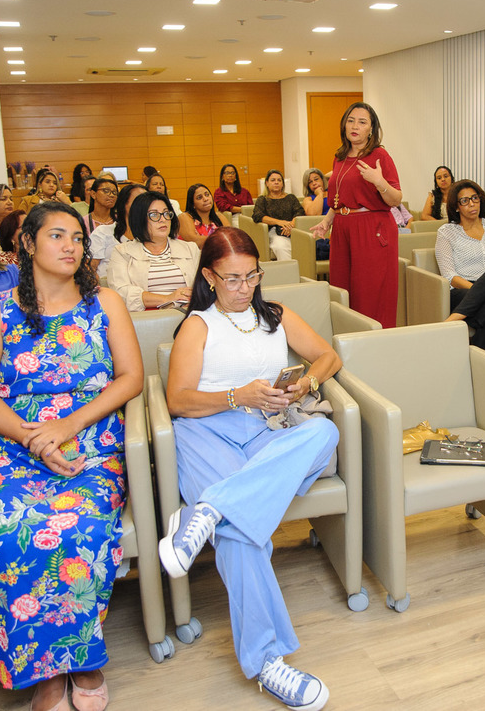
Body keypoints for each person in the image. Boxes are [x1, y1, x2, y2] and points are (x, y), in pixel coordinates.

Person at [0, 202, 142, 711]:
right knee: (9, 524)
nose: (71, 246)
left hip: (88, 441)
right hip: (9, 446)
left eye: (77, 237)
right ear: (28, 244)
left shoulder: (106, 304)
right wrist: (35, 437)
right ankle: (45, 670)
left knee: (80, 523)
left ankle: (83, 657)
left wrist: (68, 426)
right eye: (57, 236)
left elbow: (131, 379)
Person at [161, 227, 339, 711]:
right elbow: (177, 401)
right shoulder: (198, 324)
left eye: (252, 277)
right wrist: (239, 395)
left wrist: (306, 382)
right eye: (232, 279)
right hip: (205, 433)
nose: (244, 288)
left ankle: (208, 509)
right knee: (242, 534)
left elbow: (328, 354)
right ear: (209, 277)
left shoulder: (275, 317)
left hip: (266, 433)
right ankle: (268, 664)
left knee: (325, 434)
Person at [309, 102, 402, 328]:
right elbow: (339, 197)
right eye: (351, 120)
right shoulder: (340, 156)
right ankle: (349, 339)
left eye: (362, 122)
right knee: (343, 288)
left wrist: (379, 182)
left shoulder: (379, 155)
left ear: (371, 129)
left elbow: (396, 199)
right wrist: (327, 221)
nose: (355, 126)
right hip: (343, 228)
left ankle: (374, 343)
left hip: (372, 228)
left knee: (370, 292)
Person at [438, 180, 485, 351]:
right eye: (465, 201)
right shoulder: (446, 232)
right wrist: (480, 290)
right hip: (462, 290)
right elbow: (449, 276)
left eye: (475, 198)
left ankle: (454, 324)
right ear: (456, 207)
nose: (472, 204)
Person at [108, 191, 200, 312]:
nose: (163, 219)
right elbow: (120, 292)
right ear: (139, 219)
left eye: (166, 213)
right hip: (143, 320)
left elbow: (205, 285)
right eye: (154, 215)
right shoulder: (122, 252)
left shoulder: (190, 249)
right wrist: (168, 298)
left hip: (186, 315)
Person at [89, 183, 145, 278]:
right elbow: (90, 268)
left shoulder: (152, 235)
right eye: (139, 201)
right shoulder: (103, 232)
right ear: (124, 204)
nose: (145, 205)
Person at [253, 169, 305, 262]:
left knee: (302, 244)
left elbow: (299, 212)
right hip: (272, 231)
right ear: (267, 183)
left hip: (292, 229)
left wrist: (291, 225)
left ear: (282, 184)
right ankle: (289, 274)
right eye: (273, 180)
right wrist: (280, 222)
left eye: (279, 180)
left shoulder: (291, 197)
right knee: (281, 246)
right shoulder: (263, 199)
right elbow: (258, 215)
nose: (276, 182)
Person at [180, 183, 226, 248]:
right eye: (199, 197)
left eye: (207, 195)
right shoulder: (185, 217)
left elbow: (231, 237)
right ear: (193, 204)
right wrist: (221, 239)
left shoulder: (219, 216)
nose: (205, 199)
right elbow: (193, 242)